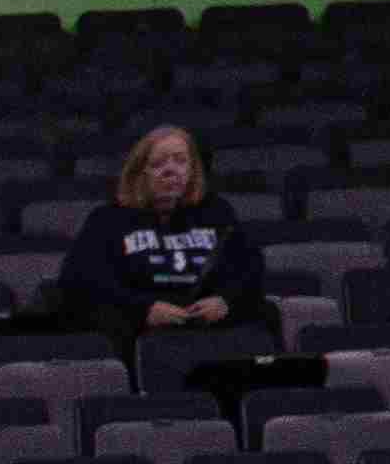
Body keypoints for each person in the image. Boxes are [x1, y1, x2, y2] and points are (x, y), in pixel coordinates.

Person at [56, 123, 269, 343]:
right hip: (137, 332)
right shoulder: (107, 219)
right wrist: (141, 309)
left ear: (192, 170)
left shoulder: (218, 213)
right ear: (140, 173)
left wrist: (225, 301)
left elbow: (250, 268)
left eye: (180, 161)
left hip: (208, 329)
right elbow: (80, 281)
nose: (171, 170)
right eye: (158, 163)